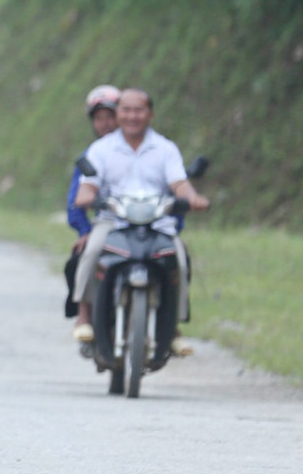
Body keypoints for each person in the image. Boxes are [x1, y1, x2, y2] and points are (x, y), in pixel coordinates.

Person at [71, 88, 208, 357]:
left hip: (157, 223)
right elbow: (86, 187)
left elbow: (180, 183)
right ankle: (83, 314)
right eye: (126, 110)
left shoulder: (165, 149)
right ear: (118, 113)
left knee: (179, 259)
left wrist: (193, 199)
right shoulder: (101, 149)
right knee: (90, 252)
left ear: (150, 114)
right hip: (114, 222)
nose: (132, 116)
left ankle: (175, 327)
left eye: (139, 110)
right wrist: (88, 197)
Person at [63, 85, 120, 335]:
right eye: (99, 119)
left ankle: (170, 325)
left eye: (111, 117)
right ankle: (84, 313)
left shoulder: (149, 148)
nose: (106, 124)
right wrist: (84, 230)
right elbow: (76, 198)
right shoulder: (92, 155)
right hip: (107, 221)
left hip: (147, 220)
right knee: (87, 253)